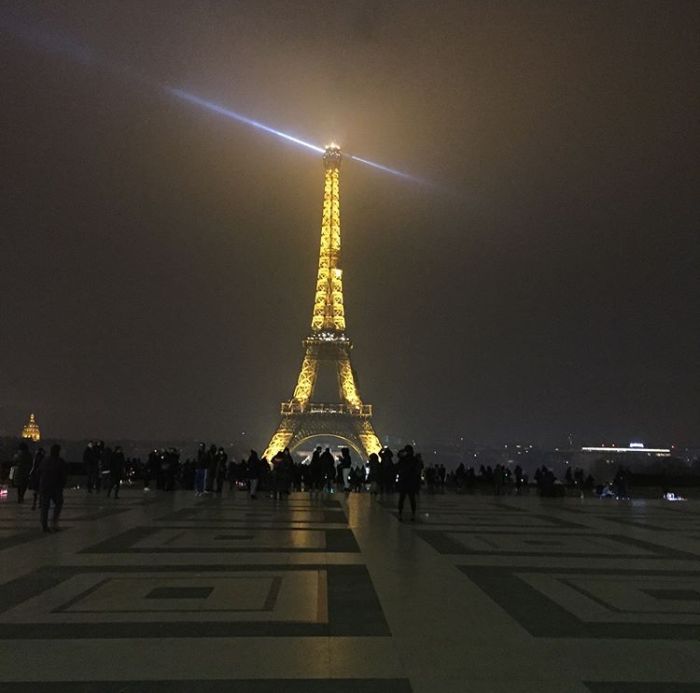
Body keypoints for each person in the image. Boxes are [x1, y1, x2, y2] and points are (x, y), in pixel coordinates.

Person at [39, 444, 67, 532]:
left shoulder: (45, 460)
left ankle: (44, 525)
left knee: (45, 506)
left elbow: (39, 471)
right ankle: (54, 523)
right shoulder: (60, 462)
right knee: (58, 503)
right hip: (56, 487)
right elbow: (63, 475)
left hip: (45, 486)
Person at [397, 445, 421, 521]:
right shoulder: (414, 460)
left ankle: (400, 514)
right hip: (411, 482)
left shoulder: (403, 459)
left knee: (402, 499)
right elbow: (417, 472)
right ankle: (412, 515)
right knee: (411, 499)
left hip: (405, 481)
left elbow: (398, 455)